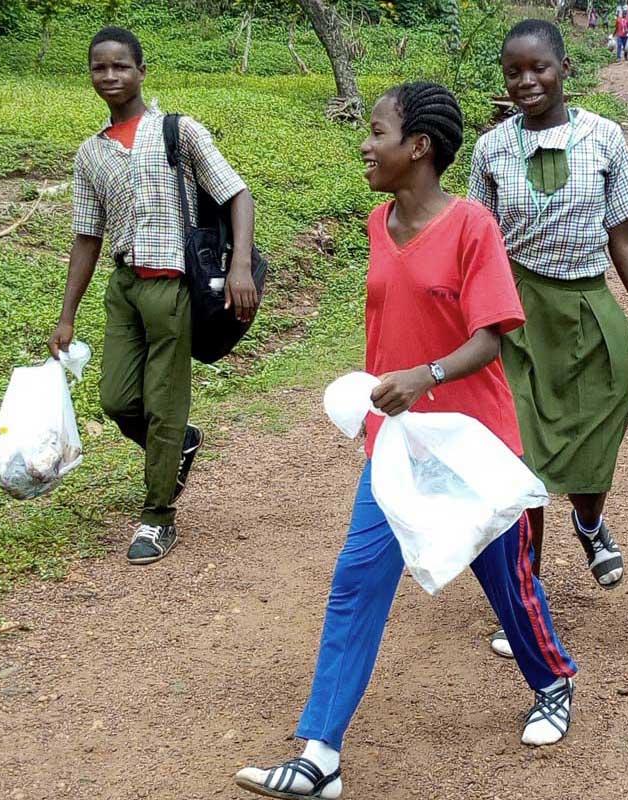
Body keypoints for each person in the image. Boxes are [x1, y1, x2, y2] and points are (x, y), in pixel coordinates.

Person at [232, 82, 579, 800]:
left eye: (378, 131)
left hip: (473, 441)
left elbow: (493, 335)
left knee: (506, 582)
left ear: (417, 147)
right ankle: (320, 753)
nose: (366, 143)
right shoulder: (374, 221)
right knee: (357, 582)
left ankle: (553, 680)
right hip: (397, 442)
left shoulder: (472, 227)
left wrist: (426, 373)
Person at [469, 20, 628, 657]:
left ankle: (590, 521)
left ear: (565, 68)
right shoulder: (491, 151)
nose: (526, 82)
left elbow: (624, 238)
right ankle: (526, 593)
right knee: (526, 459)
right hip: (516, 311)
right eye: (513, 72)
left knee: (610, 402)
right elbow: (477, 246)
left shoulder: (605, 137)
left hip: (587, 300)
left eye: (538, 68)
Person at [51, 26, 259, 565]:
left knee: (164, 402)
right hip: (123, 287)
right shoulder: (90, 154)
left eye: (121, 66)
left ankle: (157, 519)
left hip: (174, 285)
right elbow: (87, 236)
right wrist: (66, 315)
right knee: (117, 400)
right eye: (100, 67)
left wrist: (240, 267)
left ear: (142, 71)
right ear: (91, 75)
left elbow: (236, 192)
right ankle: (177, 445)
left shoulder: (177, 131)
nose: (111, 76)